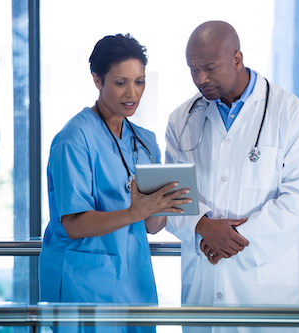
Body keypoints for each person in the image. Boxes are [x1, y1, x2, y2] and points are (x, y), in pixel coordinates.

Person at [165, 21, 299, 332]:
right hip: (203, 285)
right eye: (193, 69)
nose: (201, 79)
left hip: (264, 285)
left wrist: (231, 240)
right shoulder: (181, 120)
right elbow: (170, 195)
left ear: (237, 59)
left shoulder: (290, 113)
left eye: (209, 67)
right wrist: (202, 226)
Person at [39, 33, 189, 333]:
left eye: (140, 81)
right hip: (84, 283)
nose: (132, 92)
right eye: (120, 82)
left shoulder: (145, 141)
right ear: (98, 80)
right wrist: (137, 211)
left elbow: (151, 224)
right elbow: (74, 223)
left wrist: (168, 203)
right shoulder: (73, 140)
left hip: (135, 280)